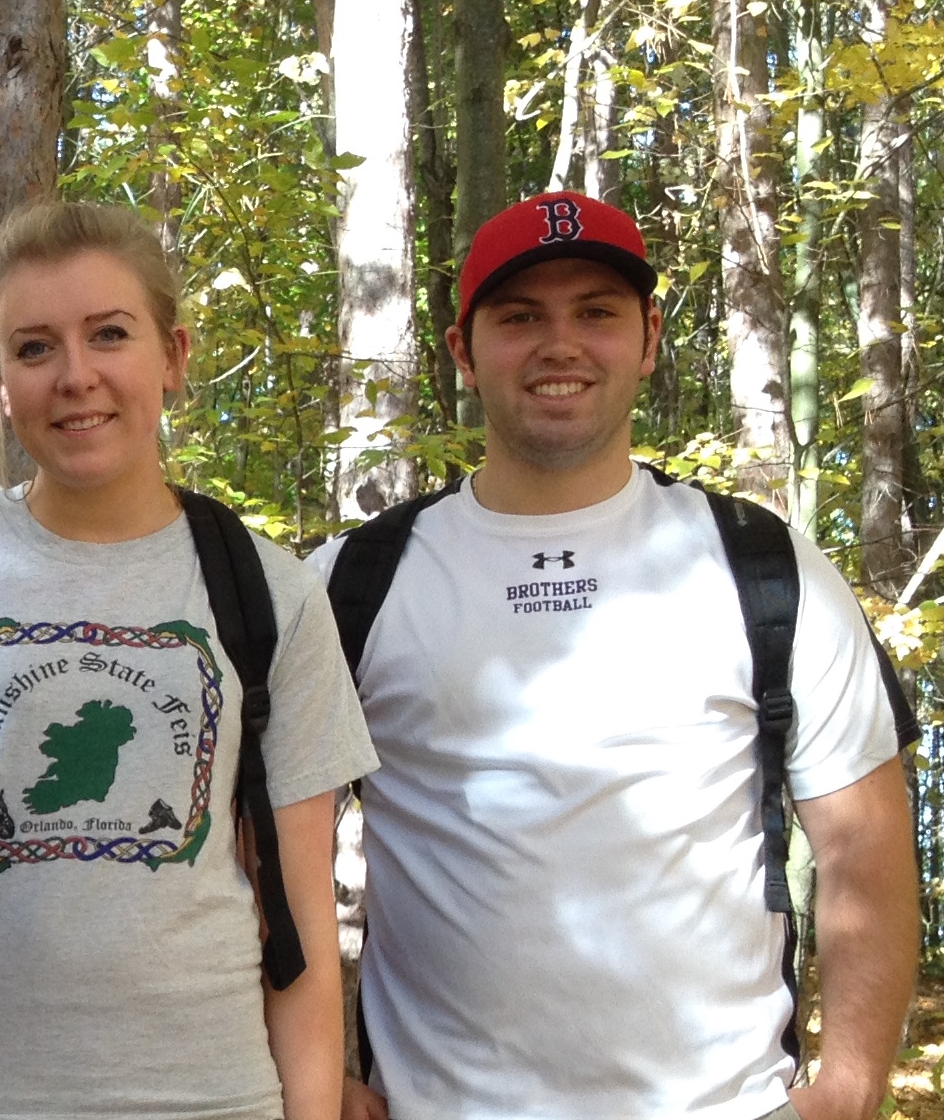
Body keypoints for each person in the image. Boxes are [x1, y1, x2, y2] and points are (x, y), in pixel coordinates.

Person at [313, 192, 916, 1120]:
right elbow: (257, 859)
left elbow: (863, 844)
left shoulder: (763, 567)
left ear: (648, 339)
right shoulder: (356, 582)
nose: (560, 345)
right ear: (463, 353)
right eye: (519, 318)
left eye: (595, 311)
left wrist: (848, 1086)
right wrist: (318, 1075)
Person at [0, 201, 374, 1120]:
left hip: (208, 1097)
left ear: (172, 357)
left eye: (109, 334)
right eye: (35, 346)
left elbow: (298, 930)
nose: (75, 376)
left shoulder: (268, 594)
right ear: (1, 380)